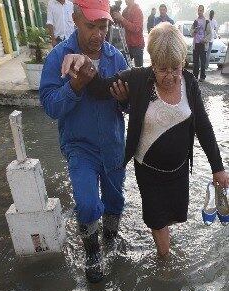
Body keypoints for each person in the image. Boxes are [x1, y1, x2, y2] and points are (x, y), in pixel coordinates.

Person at [61, 22, 229, 258]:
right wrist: (84, 62)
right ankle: (165, 260)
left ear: (183, 62)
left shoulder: (189, 82)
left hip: (179, 170)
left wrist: (217, 168)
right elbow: (99, 89)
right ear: (152, 62)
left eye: (175, 68)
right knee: (157, 220)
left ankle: (166, 249)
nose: (170, 76)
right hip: (148, 169)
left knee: (173, 216)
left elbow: (203, 125)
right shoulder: (138, 79)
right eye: (162, 69)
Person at [39, 0, 128, 283]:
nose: (98, 34)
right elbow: (50, 107)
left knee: (115, 200)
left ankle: (110, 239)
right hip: (80, 147)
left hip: (113, 144)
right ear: (75, 19)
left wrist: (125, 101)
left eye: (103, 27)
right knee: (87, 204)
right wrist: (75, 86)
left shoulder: (117, 58)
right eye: (91, 26)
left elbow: (130, 106)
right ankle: (92, 252)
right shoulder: (58, 58)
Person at [112, 0, 144, 67]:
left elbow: (136, 28)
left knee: (139, 67)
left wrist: (121, 18)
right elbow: (121, 24)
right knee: (126, 67)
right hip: (127, 45)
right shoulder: (125, 11)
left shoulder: (137, 11)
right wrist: (116, 18)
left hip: (137, 45)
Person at [191, 5, 208, 81]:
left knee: (203, 62)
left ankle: (202, 77)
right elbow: (191, 32)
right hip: (196, 44)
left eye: (201, 10)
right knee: (195, 62)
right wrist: (194, 30)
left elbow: (210, 34)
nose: (199, 12)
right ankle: (195, 76)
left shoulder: (206, 21)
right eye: (198, 10)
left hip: (203, 44)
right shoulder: (195, 21)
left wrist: (205, 39)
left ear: (203, 11)